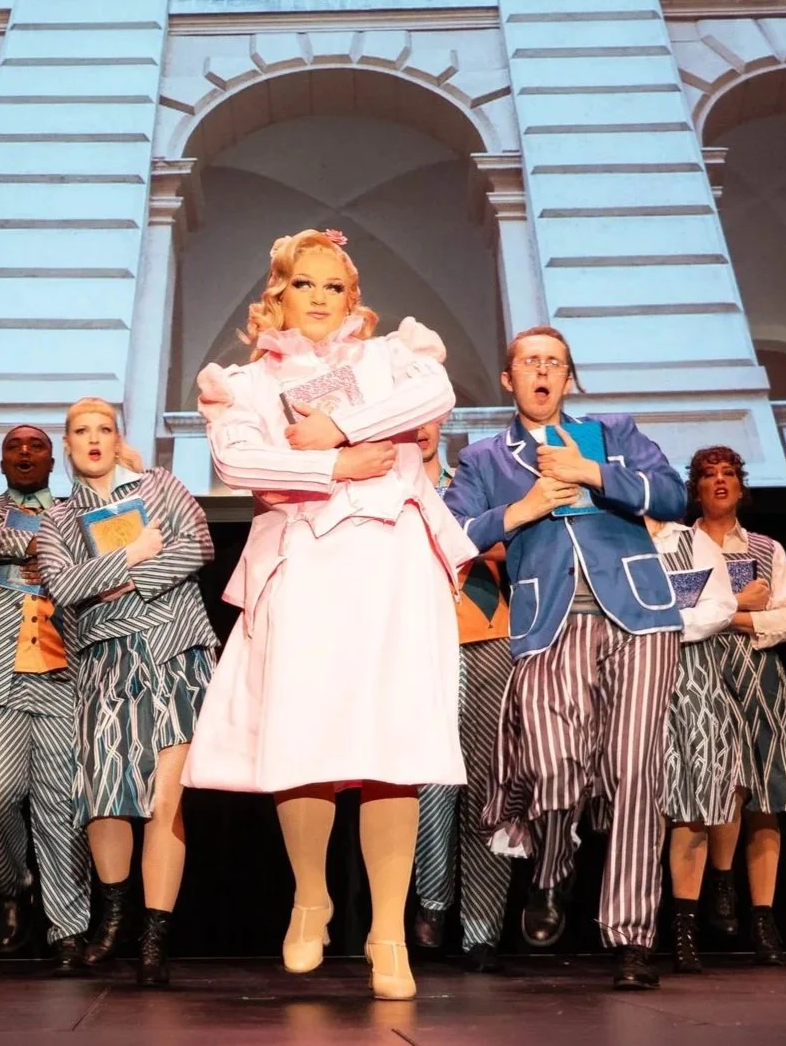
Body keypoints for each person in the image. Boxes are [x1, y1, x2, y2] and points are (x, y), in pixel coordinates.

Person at [181, 228, 476, 1001]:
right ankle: (311, 894)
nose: (318, 298)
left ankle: (386, 929)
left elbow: (437, 395)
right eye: (303, 284)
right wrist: (330, 463)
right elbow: (236, 461)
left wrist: (347, 424)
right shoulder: (243, 382)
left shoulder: (388, 359)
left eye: (333, 286)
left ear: (353, 298)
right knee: (303, 736)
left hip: (391, 562)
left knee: (392, 743)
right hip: (304, 566)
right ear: (277, 292)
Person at [444, 325, 685, 990]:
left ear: (569, 379)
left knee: (635, 771)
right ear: (509, 378)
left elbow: (671, 493)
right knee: (551, 763)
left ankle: (631, 938)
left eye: (554, 362)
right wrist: (518, 511)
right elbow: (450, 530)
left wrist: (592, 473)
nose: (542, 371)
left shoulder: (612, 431)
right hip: (549, 625)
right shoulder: (486, 457)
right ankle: (552, 865)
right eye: (529, 361)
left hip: (639, 617)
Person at [36, 398, 218, 988]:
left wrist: (126, 579)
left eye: (104, 429)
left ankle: (155, 939)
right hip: (104, 663)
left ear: (119, 438)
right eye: (81, 431)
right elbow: (63, 587)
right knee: (106, 796)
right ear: (68, 444)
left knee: (168, 801)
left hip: (175, 654)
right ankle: (114, 915)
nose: (93, 440)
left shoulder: (161, 485)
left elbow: (199, 547)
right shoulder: (57, 521)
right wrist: (132, 553)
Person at [0, 424, 91, 974]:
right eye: (13, 447)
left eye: (36, 447)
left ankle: (69, 928)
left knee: (60, 805)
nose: (24, 453)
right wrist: (41, 540)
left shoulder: (79, 509)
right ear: (2, 462)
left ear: (55, 461)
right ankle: (11, 887)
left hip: (61, 670)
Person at [690, 446, 786, 965]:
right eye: (708, 475)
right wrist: (738, 608)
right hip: (704, 673)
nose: (720, 482)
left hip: (760, 676)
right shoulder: (684, 546)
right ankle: (720, 882)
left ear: (742, 487)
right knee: (725, 784)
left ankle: (763, 918)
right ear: (694, 488)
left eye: (729, 475)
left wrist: (737, 620)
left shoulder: (765, 549)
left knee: (769, 794)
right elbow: (680, 614)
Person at [410, 421, 516, 972]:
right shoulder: (390, 491)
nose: (421, 430)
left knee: (488, 783)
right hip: (414, 643)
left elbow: (511, 541)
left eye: (429, 418)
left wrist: (470, 535)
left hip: (487, 635)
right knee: (427, 780)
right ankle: (431, 900)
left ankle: (482, 929)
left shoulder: (470, 482)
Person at [645, 512, 742, 973]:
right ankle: (636, 926)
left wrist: (664, 626)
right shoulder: (609, 536)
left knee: (693, 805)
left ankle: (683, 932)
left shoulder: (692, 541)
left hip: (696, 680)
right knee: (644, 805)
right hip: (638, 679)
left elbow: (720, 604)